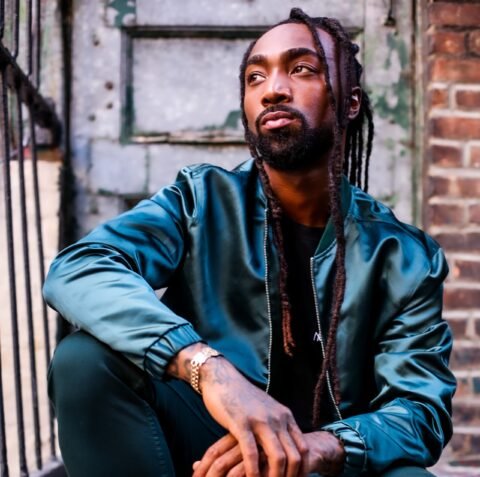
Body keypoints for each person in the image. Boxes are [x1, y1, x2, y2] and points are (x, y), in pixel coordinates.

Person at [44, 8, 456, 477]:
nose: (272, 89)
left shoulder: (404, 257)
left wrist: (322, 447)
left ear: (350, 102)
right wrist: (207, 368)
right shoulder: (201, 200)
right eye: (255, 77)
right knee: (84, 360)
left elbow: (420, 411)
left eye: (302, 69)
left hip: (321, 464)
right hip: (209, 456)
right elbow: (81, 267)